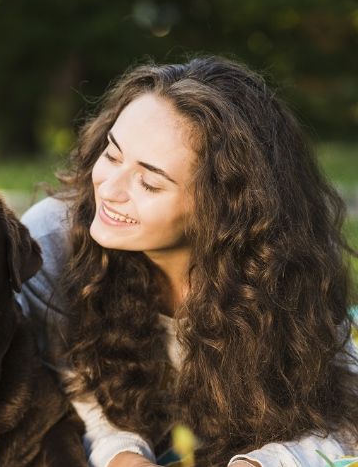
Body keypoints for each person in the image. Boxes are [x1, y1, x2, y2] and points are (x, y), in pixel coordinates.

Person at [18, 56, 358, 466]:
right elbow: (71, 397)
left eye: (149, 181)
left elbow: (344, 416)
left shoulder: (288, 265)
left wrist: (258, 463)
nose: (110, 189)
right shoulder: (51, 244)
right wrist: (123, 457)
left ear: (224, 207)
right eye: (111, 153)